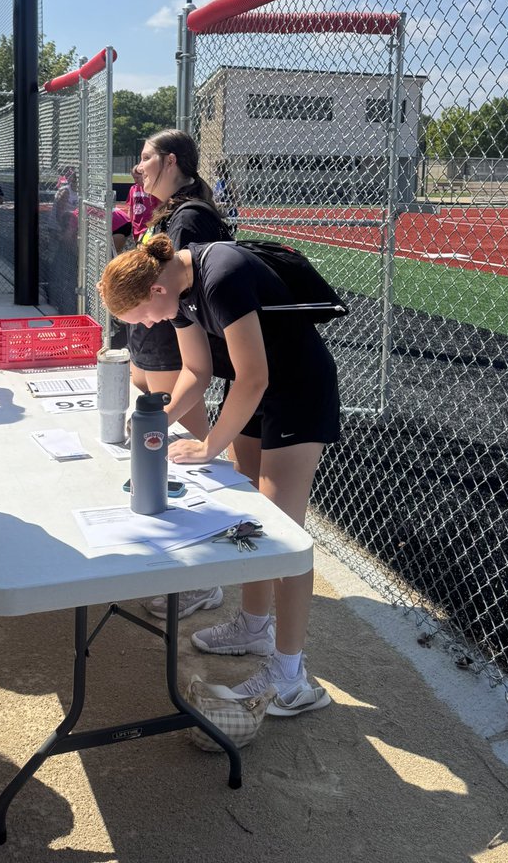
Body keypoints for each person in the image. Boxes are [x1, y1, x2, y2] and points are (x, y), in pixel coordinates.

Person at [98, 232, 340, 717]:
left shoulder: (221, 273)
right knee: (249, 508)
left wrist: (212, 445)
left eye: (141, 317)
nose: (146, 327)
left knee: (283, 532)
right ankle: (254, 626)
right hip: (255, 391)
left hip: (298, 388)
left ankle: (291, 677)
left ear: (156, 291)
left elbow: (254, 376)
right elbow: (196, 369)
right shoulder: (178, 290)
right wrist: (155, 420)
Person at [127, 129, 233, 622]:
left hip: (176, 357)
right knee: (173, 463)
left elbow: (179, 303)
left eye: (145, 158)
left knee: (196, 470)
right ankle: (190, 564)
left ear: (170, 161)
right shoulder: (170, 213)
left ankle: (204, 576)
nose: (137, 167)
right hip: (157, 353)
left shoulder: (190, 218)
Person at [213, 160, 239, 236]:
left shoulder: (229, 182)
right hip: (220, 217)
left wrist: (224, 205)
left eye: (215, 168)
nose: (213, 170)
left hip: (230, 217)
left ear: (221, 169)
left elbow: (238, 202)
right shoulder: (217, 182)